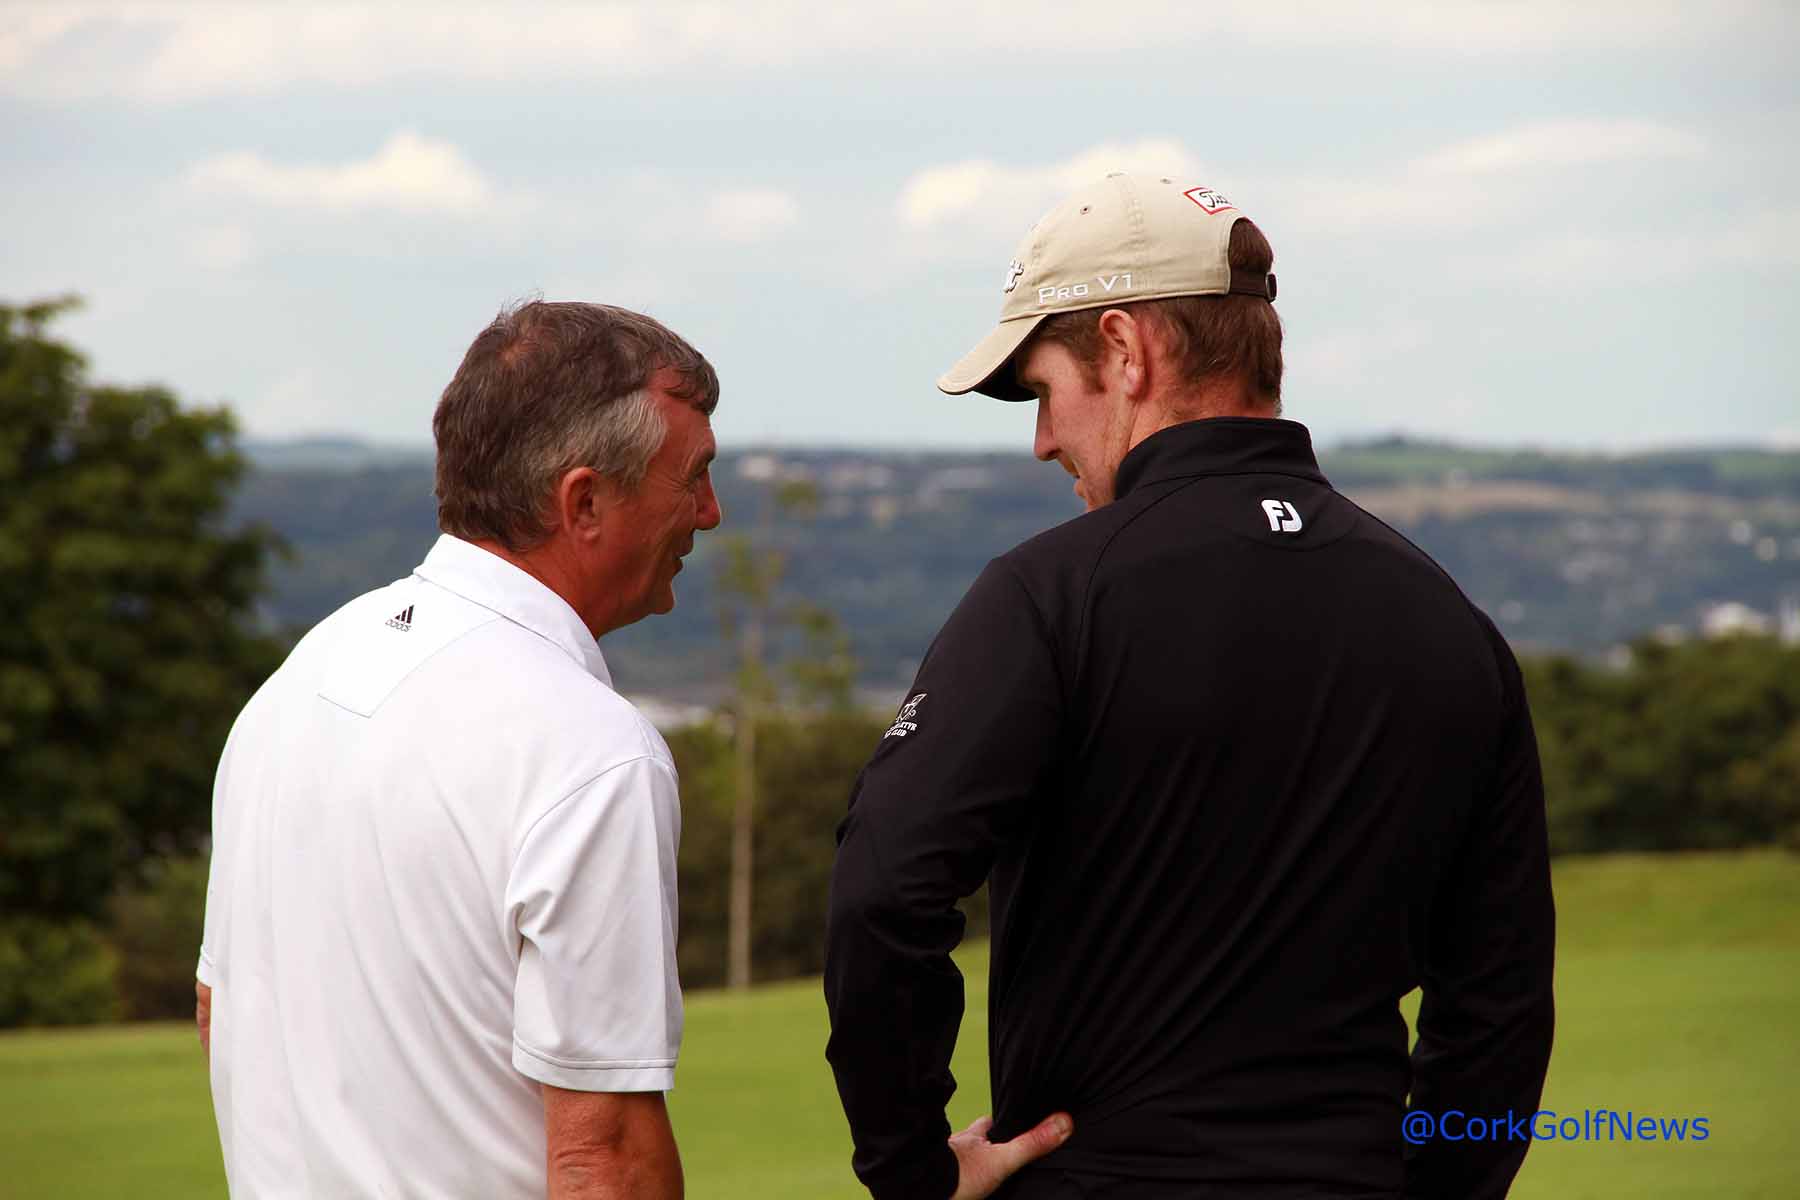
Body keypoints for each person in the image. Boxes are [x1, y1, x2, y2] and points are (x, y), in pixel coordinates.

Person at [824, 173, 1555, 1200]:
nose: (1042, 440)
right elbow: (1500, 999)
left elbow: (883, 893)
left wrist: (910, 1172)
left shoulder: (1051, 595)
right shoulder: (1447, 618)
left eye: (1042, 392)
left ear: (1125, 350)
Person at [195, 301, 722, 1198]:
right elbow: (603, 1159)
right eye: (695, 477)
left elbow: (221, 1011)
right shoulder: (591, 750)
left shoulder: (301, 674)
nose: (710, 513)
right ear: (585, 502)